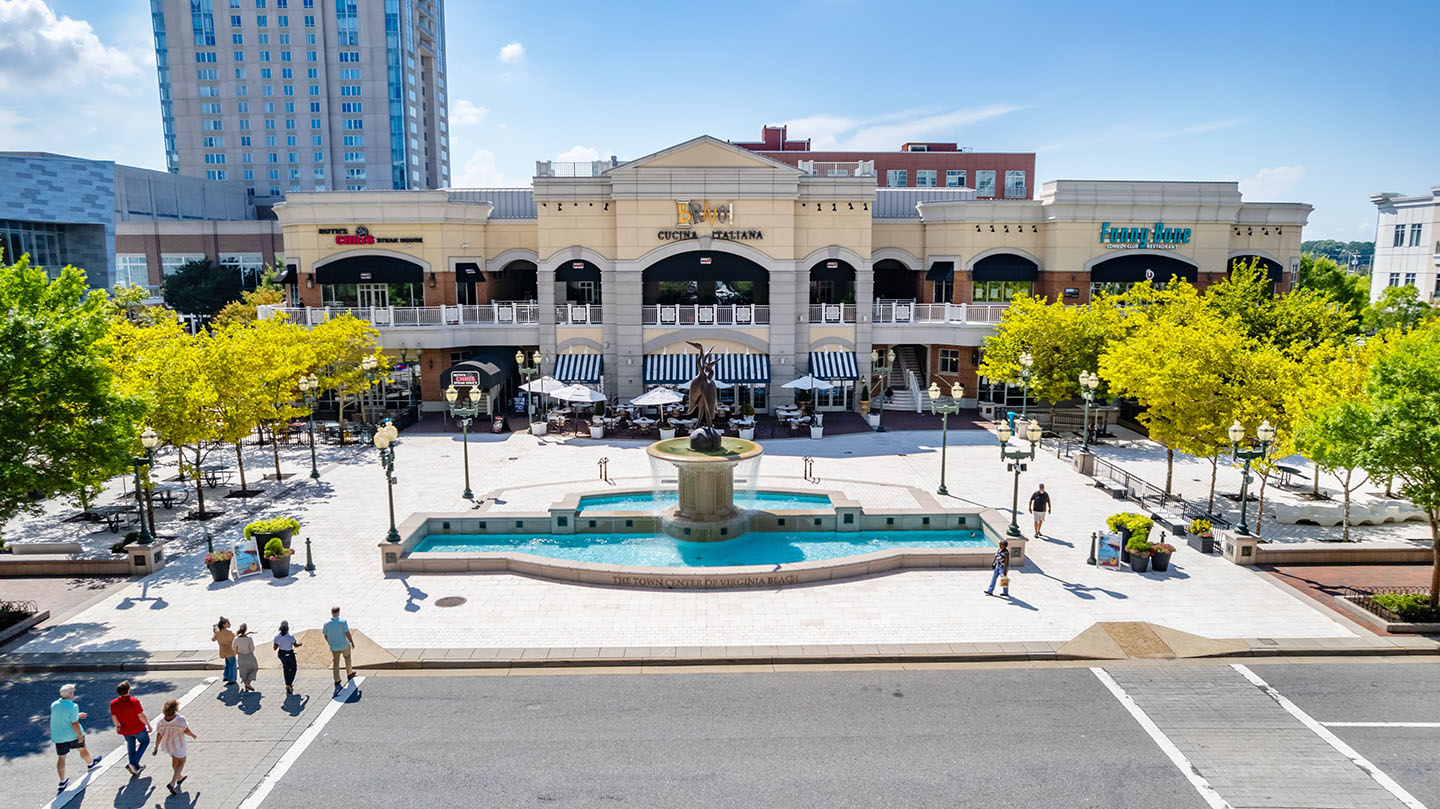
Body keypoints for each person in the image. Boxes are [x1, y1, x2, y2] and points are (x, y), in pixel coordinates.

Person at [51, 683, 100, 793]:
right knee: (82, 750)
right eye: (73, 692)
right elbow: (74, 723)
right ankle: (90, 764)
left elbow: (63, 716)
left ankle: (62, 781)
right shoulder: (73, 706)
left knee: (61, 757)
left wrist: (77, 715)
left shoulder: (54, 705)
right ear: (70, 694)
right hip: (72, 735)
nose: (74, 693)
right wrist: (79, 736)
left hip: (59, 736)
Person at [152, 698, 197, 795]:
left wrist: (156, 747)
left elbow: (159, 735)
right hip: (179, 745)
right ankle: (172, 783)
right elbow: (186, 730)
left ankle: (179, 777)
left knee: (174, 760)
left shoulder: (161, 722)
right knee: (181, 762)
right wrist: (192, 735)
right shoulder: (180, 719)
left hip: (167, 745)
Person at [109, 681, 151, 777]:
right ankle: (133, 763)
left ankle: (134, 765)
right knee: (145, 742)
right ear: (128, 690)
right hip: (138, 728)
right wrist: (148, 724)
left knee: (131, 745)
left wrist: (117, 727)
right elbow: (141, 715)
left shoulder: (113, 703)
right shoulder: (134, 702)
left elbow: (114, 717)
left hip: (125, 729)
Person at [322, 606, 355, 691]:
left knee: (336, 662)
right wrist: (351, 642)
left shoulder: (327, 624)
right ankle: (349, 674)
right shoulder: (343, 622)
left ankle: (337, 680)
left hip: (334, 647)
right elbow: (347, 633)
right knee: (347, 658)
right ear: (338, 612)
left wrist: (329, 642)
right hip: (344, 645)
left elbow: (325, 635)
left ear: (331, 613)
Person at [273, 620, 302, 695]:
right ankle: (289, 684)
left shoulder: (277, 637)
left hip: (282, 654)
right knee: (293, 668)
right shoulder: (290, 636)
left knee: (286, 668)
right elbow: (295, 645)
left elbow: (275, 648)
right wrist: (299, 644)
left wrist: (280, 643)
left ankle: (287, 684)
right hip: (289, 654)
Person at [234, 624, 259, 692]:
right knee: (255, 668)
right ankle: (248, 683)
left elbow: (233, 647)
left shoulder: (236, 639)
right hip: (249, 656)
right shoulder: (249, 639)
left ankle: (246, 686)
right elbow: (252, 649)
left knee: (243, 672)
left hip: (240, 656)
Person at [212, 617, 237, 684]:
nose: (229, 624)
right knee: (232, 665)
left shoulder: (217, 632)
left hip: (222, 651)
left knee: (227, 663)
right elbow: (235, 638)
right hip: (230, 651)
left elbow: (213, 639)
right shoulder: (230, 633)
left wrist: (214, 632)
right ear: (224, 625)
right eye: (228, 623)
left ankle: (226, 676)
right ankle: (232, 679)